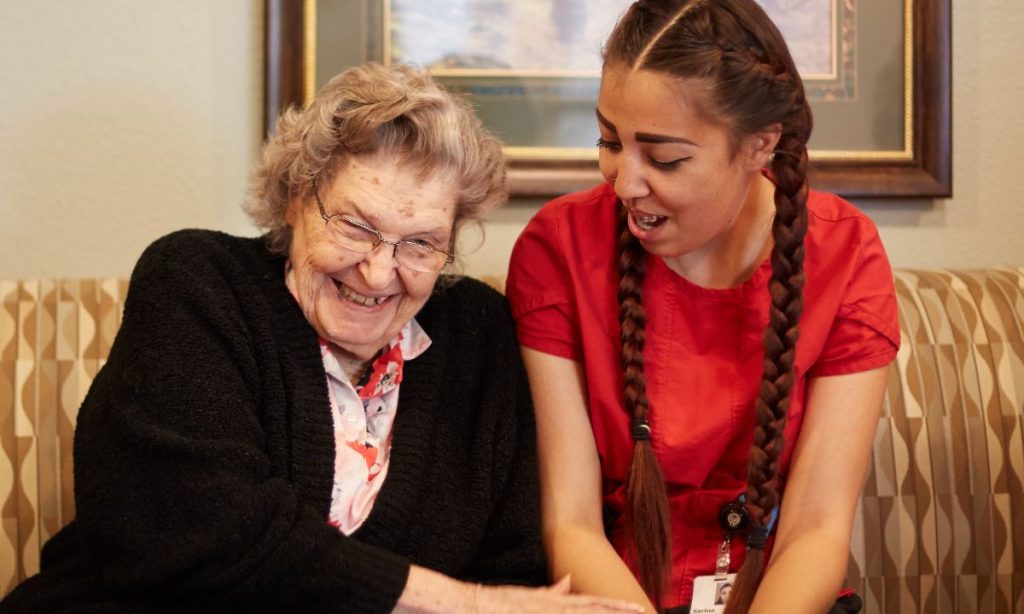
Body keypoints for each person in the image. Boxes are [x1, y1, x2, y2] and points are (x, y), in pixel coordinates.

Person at [0, 63, 643, 613]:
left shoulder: (477, 334)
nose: (378, 271)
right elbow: (196, 531)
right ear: (294, 199)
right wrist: (458, 602)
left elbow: (514, 558)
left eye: (420, 243)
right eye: (356, 226)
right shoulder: (197, 285)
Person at [506, 1, 899, 613]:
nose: (624, 182)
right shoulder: (557, 249)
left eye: (665, 159)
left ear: (759, 146)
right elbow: (571, 525)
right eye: (609, 141)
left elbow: (816, 529)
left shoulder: (846, 255)